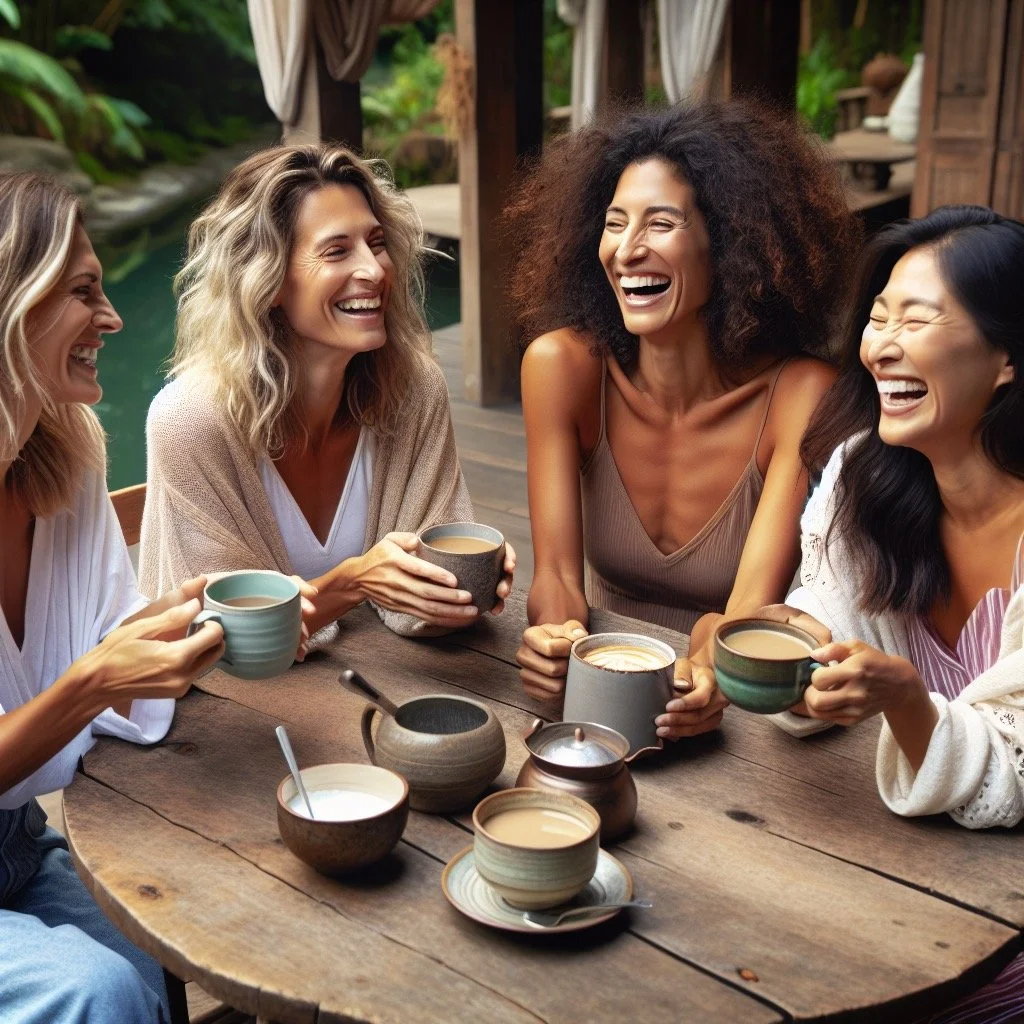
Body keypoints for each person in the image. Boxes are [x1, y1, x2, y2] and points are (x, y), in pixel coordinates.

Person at [507, 101, 859, 737]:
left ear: (727, 243)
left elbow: (750, 609)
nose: (628, 250)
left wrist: (706, 676)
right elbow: (557, 575)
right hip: (602, 690)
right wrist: (554, 639)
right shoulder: (563, 368)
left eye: (660, 224)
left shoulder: (801, 396)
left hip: (748, 721)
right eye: (615, 224)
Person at [765, 206, 1023, 1024]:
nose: (882, 344)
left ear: (1008, 355)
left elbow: (1017, 773)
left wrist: (907, 700)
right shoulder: (864, 474)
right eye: (878, 316)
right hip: (892, 880)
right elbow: (824, 614)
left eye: (918, 318)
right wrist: (799, 668)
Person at [0, 172, 226, 1022]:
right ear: (10, 301)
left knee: (168, 925)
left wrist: (178, 633)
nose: (114, 317)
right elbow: (92, 675)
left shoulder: (70, 445)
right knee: (94, 992)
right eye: (84, 292)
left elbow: (106, 634)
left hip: (17, 849)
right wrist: (96, 679)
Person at [139, 144, 514, 638]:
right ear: (268, 281)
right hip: (214, 709)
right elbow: (230, 638)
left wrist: (459, 588)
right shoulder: (190, 421)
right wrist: (354, 584)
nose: (375, 270)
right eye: (336, 251)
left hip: (368, 686)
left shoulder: (413, 391)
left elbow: (421, 602)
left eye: (376, 243)